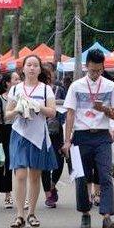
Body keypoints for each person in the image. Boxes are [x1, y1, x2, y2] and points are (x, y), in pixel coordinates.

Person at [62, 49, 114, 228]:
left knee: (105, 176)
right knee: (82, 177)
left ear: (103, 67)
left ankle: (106, 216)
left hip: (102, 136)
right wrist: (67, 140)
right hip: (81, 136)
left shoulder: (110, 87)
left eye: (99, 70)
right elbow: (70, 114)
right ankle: (85, 213)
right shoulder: (76, 86)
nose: (96, 74)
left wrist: (104, 109)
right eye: (92, 70)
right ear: (86, 66)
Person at [5, 55, 57, 228]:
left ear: (40, 69)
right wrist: (18, 110)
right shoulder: (16, 89)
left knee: (35, 176)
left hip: (38, 135)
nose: (32, 68)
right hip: (19, 134)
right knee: (20, 174)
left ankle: (32, 214)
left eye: (35, 65)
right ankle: (19, 214)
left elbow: (52, 112)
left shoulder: (45, 89)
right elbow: (7, 114)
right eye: (29, 65)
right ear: (24, 68)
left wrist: (38, 107)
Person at [0, 72, 21, 209]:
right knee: (5, 165)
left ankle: (23, 197)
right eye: (15, 79)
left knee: (21, 164)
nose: (18, 81)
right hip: (5, 132)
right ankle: (7, 196)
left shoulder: (22, 97)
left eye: (19, 79)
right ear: (7, 83)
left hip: (20, 131)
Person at [41, 63, 66, 208]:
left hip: (57, 131)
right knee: (44, 165)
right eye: (46, 73)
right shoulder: (39, 90)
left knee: (58, 162)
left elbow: (67, 109)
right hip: (42, 131)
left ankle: (52, 184)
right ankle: (48, 195)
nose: (49, 75)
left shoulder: (60, 90)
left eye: (51, 72)